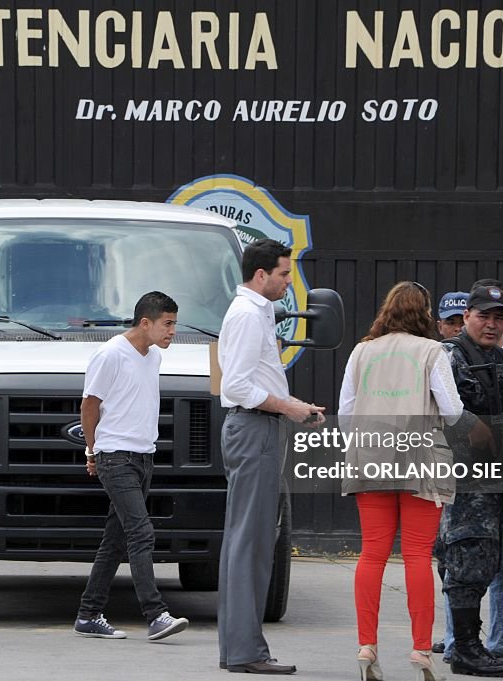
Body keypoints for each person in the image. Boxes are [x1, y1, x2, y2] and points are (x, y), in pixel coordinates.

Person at [338, 281, 463, 681]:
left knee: (372, 553)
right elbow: (453, 409)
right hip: (420, 458)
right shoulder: (432, 351)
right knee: (417, 555)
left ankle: (366, 645)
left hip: (370, 455)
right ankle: (421, 651)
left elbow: (345, 411)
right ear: (425, 312)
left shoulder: (362, 352)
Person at [217, 238, 325, 675]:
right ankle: (246, 652)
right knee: (252, 543)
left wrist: (293, 405)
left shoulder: (254, 312)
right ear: (260, 275)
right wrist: (288, 407)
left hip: (260, 427)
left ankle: (241, 649)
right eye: (283, 273)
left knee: (251, 542)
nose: (288, 281)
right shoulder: (246, 314)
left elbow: (255, 381)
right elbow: (238, 387)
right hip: (255, 429)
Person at [435, 281, 503, 668]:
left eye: (499, 318)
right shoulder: (446, 356)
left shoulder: (502, 360)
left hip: (499, 479)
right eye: (484, 316)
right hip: (463, 479)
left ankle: (479, 645)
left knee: (494, 560)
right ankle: (464, 648)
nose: (492, 325)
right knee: (466, 559)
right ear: (466, 317)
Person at [72, 291, 190, 642]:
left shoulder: (152, 357)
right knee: (141, 532)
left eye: (174, 324)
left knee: (116, 541)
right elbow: (89, 406)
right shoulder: (111, 354)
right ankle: (156, 615)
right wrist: (93, 452)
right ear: (145, 322)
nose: (172, 331)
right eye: (167, 324)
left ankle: (88, 614)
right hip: (116, 457)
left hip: (144, 456)